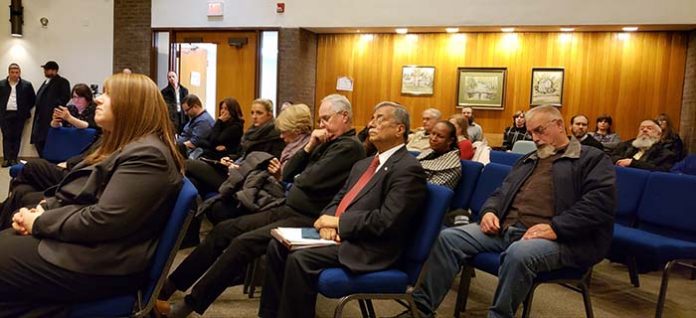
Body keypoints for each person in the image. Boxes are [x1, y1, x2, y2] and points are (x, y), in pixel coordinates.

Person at [155, 94, 365, 317]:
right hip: (289, 207)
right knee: (223, 230)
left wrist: (299, 173)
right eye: (320, 120)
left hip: (309, 218)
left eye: (325, 119)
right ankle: (169, 286)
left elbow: (305, 180)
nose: (321, 125)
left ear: (344, 116)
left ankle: (188, 305)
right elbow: (291, 173)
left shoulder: (349, 147)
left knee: (242, 244)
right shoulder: (326, 142)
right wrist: (310, 145)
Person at [405, 105, 615, 318]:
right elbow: (500, 193)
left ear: (559, 125)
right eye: (531, 132)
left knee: (519, 254)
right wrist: (489, 211)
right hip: (507, 228)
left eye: (540, 131)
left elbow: (598, 205)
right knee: (449, 238)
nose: (535, 138)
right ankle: (421, 310)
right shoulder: (530, 159)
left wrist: (556, 228)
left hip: (562, 239)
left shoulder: (591, 158)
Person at [0, 73, 184, 317]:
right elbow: (87, 195)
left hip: (98, 263)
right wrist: (45, 208)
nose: (98, 99)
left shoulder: (148, 155)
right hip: (87, 249)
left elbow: (104, 219)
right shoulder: (134, 147)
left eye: (108, 94)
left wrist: (39, 222)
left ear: (131, 104)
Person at [258, 101, 428, 318]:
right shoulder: (364, 164)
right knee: (277, 245)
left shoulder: (408, 169)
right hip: (342, 235)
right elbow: (338, 198)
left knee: (301, 259)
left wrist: (339, 224)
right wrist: (327, 219)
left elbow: (388, 221)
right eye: (372, 118)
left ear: (399, 129)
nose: (371, 123)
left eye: (380, 119)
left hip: (370, 247)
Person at [184, 98, 284, 196]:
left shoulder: (275, 137)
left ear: (269, 115)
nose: (254, 116)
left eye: (259, 113)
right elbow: (240, 154)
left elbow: (266, 166)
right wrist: (229, 159)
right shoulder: (250, 133)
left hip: (244, 180)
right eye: (252, 113)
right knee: (194, 180)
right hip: (234, 169)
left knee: (188, 164)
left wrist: (238, 167)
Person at [31, 61, 71, 157]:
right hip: (40, 117)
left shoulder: (62, 81)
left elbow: (65, 97)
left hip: (51, 117)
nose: (44, 71)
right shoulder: (46, 82)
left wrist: (55, 108)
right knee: (38, 140)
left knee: (48, 141)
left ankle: (47, 162)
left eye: (46, 69)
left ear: (54, 70)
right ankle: (43, 160)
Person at [0, 63, 35, 167]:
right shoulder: (1, 84)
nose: (15, 74)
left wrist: (25, 110)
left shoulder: (26, 85)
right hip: (4, 114)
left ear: (19, 73)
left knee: (17, 136)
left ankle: (14, 159)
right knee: (6, 136)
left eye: (17, 72)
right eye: (12, 72)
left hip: (19, 115)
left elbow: (33, 99)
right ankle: (6, 159)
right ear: (8, 72)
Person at [610, 120, 677, 172]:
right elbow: (611, 157)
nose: (644, 130)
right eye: (642, 129)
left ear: (658, 134)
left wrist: (632, 163)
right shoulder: (626, 145)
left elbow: (659, 171)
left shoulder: (666, 154)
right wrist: (620, 161)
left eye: (649, 128)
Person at [417, 120, 462, 189]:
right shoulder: (429, 151)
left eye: (440, 136)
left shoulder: (452, 167)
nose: (433, 138)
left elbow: (431, 191)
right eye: (433, 133)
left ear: (450, 141)